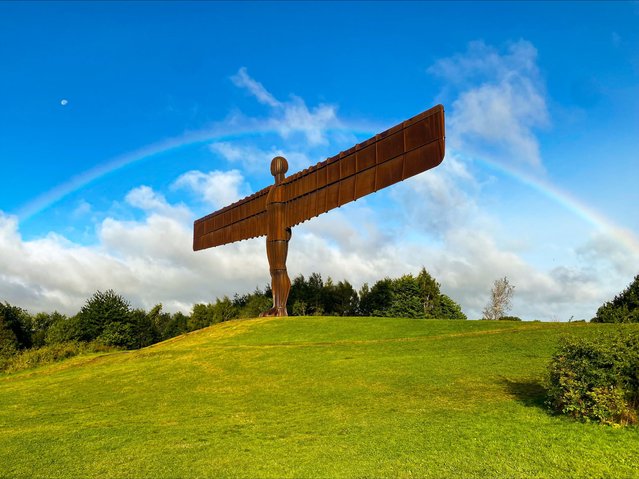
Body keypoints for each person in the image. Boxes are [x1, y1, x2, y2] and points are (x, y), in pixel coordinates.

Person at [260, 156, 292, 317]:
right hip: (270, 235)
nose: (274, 167)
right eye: (272, 165)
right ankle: (275, 305)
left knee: (280, 268)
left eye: (276, 165)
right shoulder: (270, 191)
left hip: (280, 234)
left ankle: (281, 308)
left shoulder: (289, 186)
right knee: (273, 270)